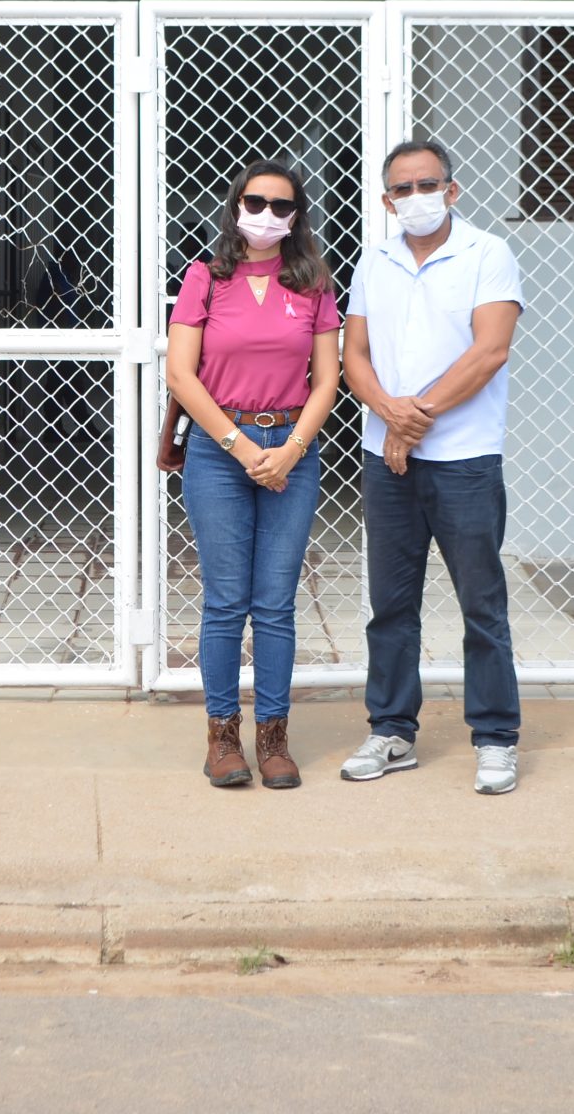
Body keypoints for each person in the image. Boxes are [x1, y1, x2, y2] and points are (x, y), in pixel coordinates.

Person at [338, 140, 526, 795]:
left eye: (427, 184)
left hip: (464, 461)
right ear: (388, 201)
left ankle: (496, 738)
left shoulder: (487, 254)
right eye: (402, 189)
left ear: (451, 190)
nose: (414, 197)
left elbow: (490, 351)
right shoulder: (376, 260)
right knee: (390, 607)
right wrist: (389, 414)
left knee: (482, 606)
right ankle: (391, 731)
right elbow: (352, 353)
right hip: (385, 461)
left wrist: (412, 418)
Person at [165, 159, 343, 789]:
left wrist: (291, 449)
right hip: (221, 451)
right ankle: (221, 737)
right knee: (224, 603)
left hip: (291, 447)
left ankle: (273, 736)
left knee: (274, 605)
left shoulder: (314, 282)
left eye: (282, 207)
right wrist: (242, 448)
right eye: (256, 202)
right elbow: (181, 374)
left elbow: (328, 380)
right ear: (236, 205)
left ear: (296, 218)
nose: (267, 215)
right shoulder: (204, 278)